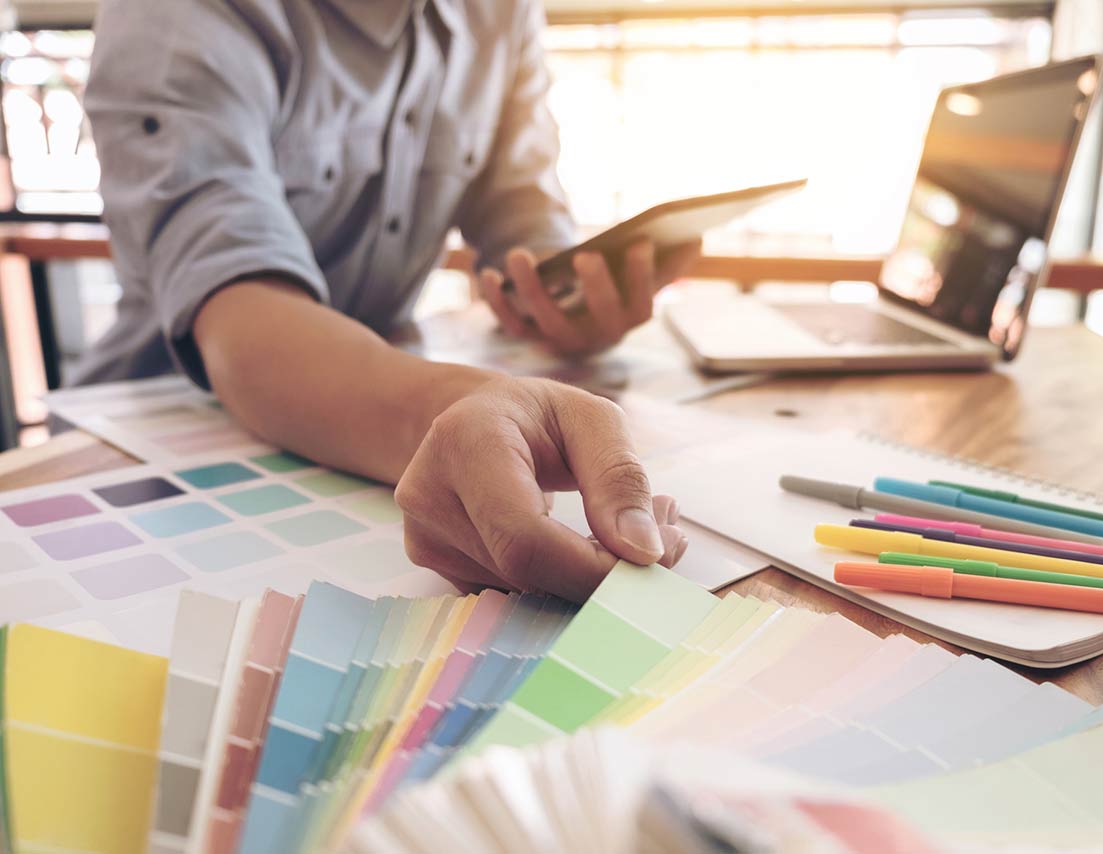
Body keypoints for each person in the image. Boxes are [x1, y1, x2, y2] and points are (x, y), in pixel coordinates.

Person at [77, 0, 696, 600]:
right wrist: (459, 410)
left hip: (374, 427)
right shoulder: (175, 13)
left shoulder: (502, 11)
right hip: (149, 438)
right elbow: (238, 307)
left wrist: (568, 302)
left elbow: (523, 218)